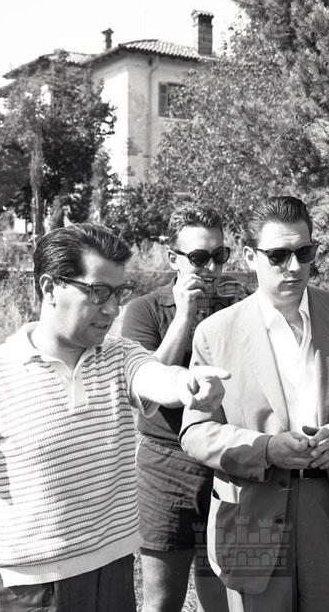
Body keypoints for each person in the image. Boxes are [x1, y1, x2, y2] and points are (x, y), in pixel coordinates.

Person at [0, 222, 229, 612]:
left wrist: (187, 384)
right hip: (30, 591)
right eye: (97, 292)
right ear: (49, 287)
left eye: (119, 292)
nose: (112, 309)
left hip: (114, 575)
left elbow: (156, 376)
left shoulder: (119, 355)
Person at [180, 196, 329, 612]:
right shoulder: (215, 333)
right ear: (250, 257)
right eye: (278, 255)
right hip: (252, 516)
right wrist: (266, 449)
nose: (294, 267)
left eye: (304, 252)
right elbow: (196, 431)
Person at [121, 205, 244, 612]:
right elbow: (146, 389)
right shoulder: (145, 310)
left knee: (230, 598)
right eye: (198, 258)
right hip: (166, 465)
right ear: (172, 258)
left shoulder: (239, 304)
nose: (211, 268)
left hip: (230, 460)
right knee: (161, 601)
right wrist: (185, 317)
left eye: (219, 255)